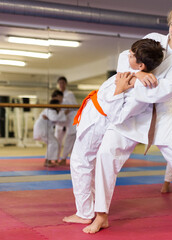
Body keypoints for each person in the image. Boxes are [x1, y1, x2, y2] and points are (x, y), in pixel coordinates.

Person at [84, 4, 172, 234]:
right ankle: (101, 215)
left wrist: (132, 81)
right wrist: (138, 73)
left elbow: (162, 91)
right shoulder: (154, 38)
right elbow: (127, 57)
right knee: (105, 154)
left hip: (161, 116)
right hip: (131, 112)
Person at [63, 38, 164, 224]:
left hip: (99, 123)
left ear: (141, 64)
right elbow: (123, 54)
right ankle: (89, 209)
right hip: (92, 116)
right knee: (86, 165)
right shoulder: (131, 70)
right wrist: (137, 74)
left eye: (133, 56)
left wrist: (119, 90)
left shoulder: (140, 92)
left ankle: (84, 213)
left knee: (81, 163)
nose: (128, 56)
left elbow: (118, 118)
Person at [33, 99, 67, 167]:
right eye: (59, 105)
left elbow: (59, 120)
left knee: (54, 142)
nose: (60, 107)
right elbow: (54, 119)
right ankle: (48, 161)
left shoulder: (53, 112)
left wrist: (62, 115)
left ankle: (49, 160)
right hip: (42, 129)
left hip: (44, 129)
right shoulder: (50, 111)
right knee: (53, 142)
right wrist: (64, 113)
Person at [55, 76, 78, 166]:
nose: (61, 85)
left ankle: (64, 159)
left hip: (71, 119)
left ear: (65, 84)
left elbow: (73, 106)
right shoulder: (57, 95)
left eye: (63, 83)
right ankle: (56, 158)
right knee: (57, 139)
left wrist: (65, 112)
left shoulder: (69, 94)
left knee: (69, 140)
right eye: (59, 83)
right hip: (63, 120)